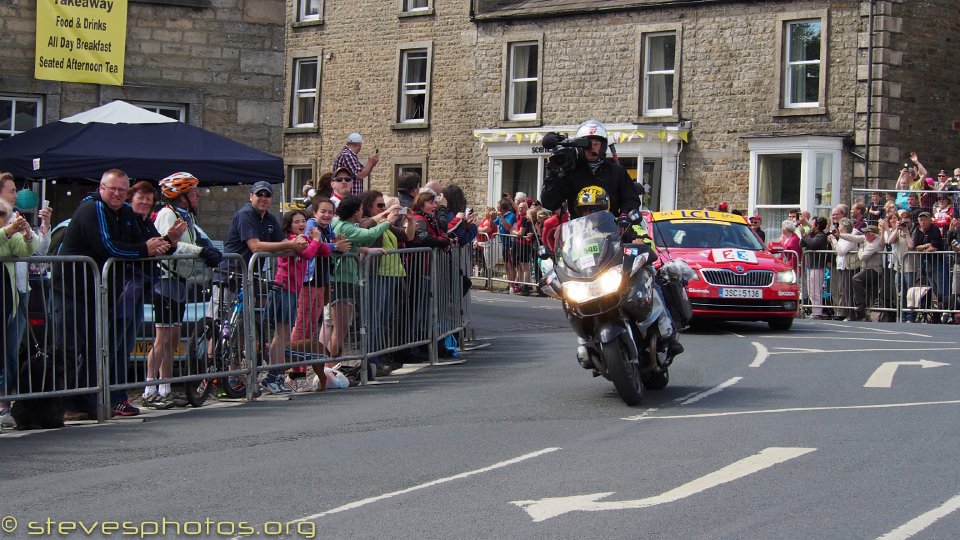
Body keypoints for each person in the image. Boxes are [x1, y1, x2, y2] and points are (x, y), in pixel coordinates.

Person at [53, 169, 174, 420]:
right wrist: (145, 249)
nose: (117, 194)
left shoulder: (125, 213)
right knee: (69, 349)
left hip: (100, 294)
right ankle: (61, 405)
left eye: (122, 189)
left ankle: (86, 402)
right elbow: (108, 246)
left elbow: (147, 240)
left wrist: (165, 243)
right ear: (101, 188)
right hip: (72, 291)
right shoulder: (93, 208)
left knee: (94, 350)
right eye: (113, 189)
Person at [569, 186, 683, 359]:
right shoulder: (576, 236)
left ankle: (669, 329)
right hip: (593, 278)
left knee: (652, 281)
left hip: (621, 272)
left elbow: (648, 242)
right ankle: (585, 343)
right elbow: (567, 255)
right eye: (584, 210)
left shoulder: (620, 225)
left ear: (603, 209)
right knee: (571, 300)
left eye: (593, 209)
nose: (588, 214)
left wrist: (641, 242)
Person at [144, 172, 221, 409]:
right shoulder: (168, 214)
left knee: (173, 337)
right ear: (182, 195)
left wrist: (207, 248)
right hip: (165, 280)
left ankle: (165, 387)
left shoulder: (185, 216)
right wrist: (200, 252)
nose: (198, 195)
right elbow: (169, 243)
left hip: (178, 281)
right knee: (163, 338)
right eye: (193, 191)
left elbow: (198, 239)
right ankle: (149, 389)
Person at [326, 195, 395, 379]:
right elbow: (369, 235)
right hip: (341, 280)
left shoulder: (343, 226)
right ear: (356, 211)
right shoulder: (346, 227)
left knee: (341, 328)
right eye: (361, 209)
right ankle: (330, 368)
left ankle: (334, 366)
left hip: (345, 279)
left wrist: (367, 250)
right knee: (339, 330)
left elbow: (354, 246)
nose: (363, 213)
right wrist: (388, 222)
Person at [261, 210, 328, 395]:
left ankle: (275, 377)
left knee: (283, 334)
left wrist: (320, 241)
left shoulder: (305, 239)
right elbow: (307, 254)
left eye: (303, 221)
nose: (301, 224)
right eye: (296, 221)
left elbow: (325, 251)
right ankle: (273, 376)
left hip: (292, 290)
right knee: (282, 334)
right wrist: (314, 240)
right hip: (283, 288)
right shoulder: (290, 241)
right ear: (288, 225)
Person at [540, 119, 640, 220]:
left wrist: (625, 216)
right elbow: (550, 203)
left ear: (603, 145)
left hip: (610, 229)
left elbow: (631, 199)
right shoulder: (570, 172)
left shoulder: (617, 171)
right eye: (587, 143)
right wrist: (553, 174)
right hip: (579, 231)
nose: (591, 147)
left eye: (596, 143)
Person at [359, 190, 414, 374]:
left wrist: (410, 220)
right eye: (380, 205)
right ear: (369, 207)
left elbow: (407, 236)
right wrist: (384, 218)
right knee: (374, 320)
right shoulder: (369, 222)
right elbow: (365, 226)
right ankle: (373, 359)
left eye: (385, 205)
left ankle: (381, 357)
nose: (384, 209)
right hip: (377, 274)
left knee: (383, 320)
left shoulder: (385, 224)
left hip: (392, 275)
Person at [0, 196, 38, 427]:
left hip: (7, 301)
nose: (2, 219)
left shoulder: (8, 234)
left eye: (4, 214)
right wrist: (6, 231)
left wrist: (27, 234)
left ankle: (4, 405)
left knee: (6, 354)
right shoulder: (4, 234)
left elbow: (25, 251)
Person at [843, 225, 883, 321]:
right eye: (865, 233)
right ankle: (867, 314)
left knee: (856, 279)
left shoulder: (876, 243)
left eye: (867, 233)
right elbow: (854, 238)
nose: (865, 235)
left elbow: (863, 256)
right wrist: (840, 235)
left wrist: (860, 249)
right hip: (866, 269)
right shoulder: (866, 238)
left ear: (873, 234)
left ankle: (861, 304)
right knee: (870, 292)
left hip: (874, 270)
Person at [827, 218, 858, 320]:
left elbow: (841, 251)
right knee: (842, 290)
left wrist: (834, 240)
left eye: (840, 226)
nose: (838, 228)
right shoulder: (841, 238)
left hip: (849, 267)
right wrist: (833, 242)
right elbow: (836, 251)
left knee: (848, 291)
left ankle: (850, 314)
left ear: (844, 227)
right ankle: (843, 312)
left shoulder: (850, 238)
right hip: (841, 266)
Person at [333, 132, 379, 197]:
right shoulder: (347, 155)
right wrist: (370, 163)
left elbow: (364, 172)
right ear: (359, 145)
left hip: (351, 197)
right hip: (348, 197)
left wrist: (372, 164)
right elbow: (360, 175)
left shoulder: (350, 155)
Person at [801, 216, 830, 319]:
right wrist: (804, 234)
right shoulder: (812, 234)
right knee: (811, 290)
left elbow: (813, 244)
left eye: (813, 224)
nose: (811, 226)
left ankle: (817, 312)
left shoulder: (821, 236)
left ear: (817, 226)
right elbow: (802, 243)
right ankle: (814, 310)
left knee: (816, 290)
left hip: (817, 266)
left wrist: (805, 234)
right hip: (811, 265)